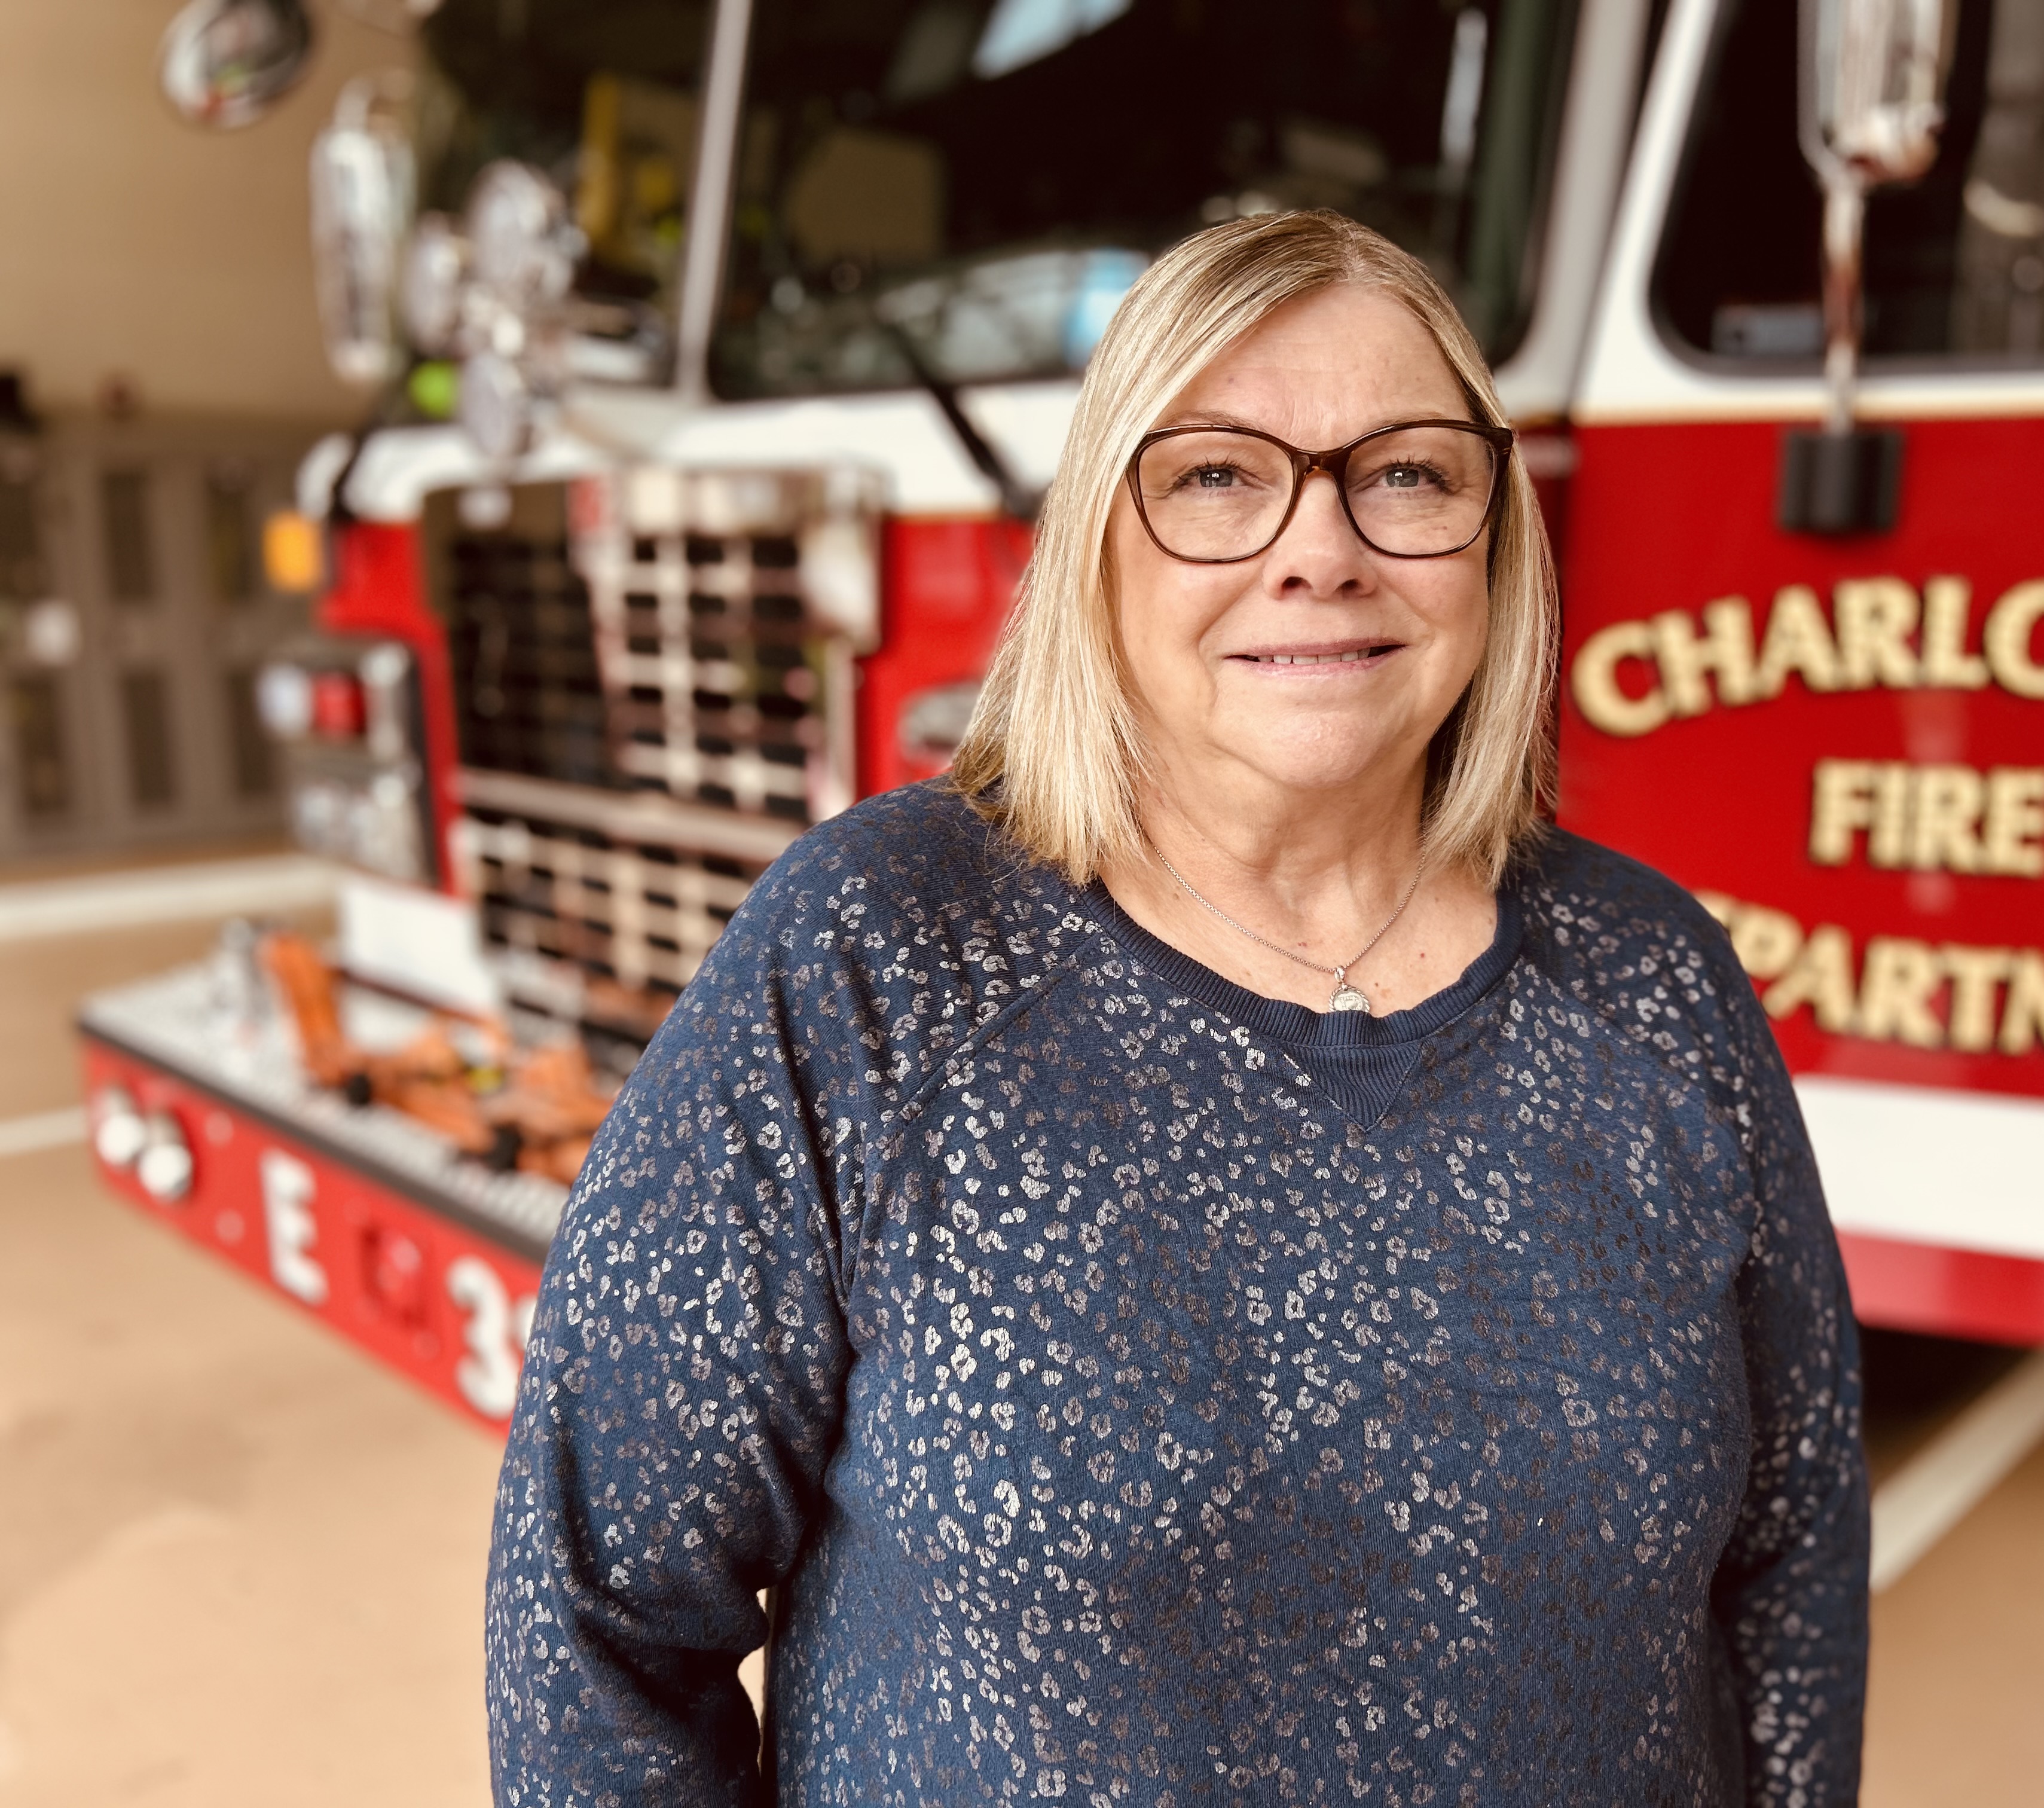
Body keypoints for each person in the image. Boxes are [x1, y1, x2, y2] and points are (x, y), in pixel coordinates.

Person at [486, 209, 1868, 1806]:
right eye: (1216, 475)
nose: (1320, 549)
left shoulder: (1653, 978)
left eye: (1408, 475)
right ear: (1098, 540)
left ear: (1496, 536)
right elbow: (595, 1628)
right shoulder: (876, 955)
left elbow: (1794, 1555)